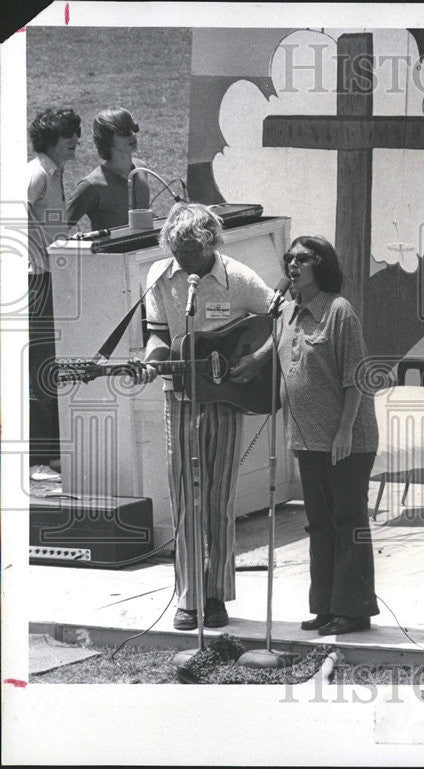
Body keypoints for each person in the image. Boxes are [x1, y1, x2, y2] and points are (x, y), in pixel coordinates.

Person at [133, 202, 272, 630]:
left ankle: (216, 595)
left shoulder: (239, 277)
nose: (184, 260)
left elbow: (282, 316)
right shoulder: (159, 277)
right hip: (180, 398)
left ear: (211, 243)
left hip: (226, 400)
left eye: (192, 252)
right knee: (185, 496)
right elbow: (157, 334)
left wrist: (255, 361)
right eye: (177, 251)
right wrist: (151, 361)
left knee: (218, 498)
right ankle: (189, 596)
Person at [233, 236, 380, 636]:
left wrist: (345, 431)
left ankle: (354, 610)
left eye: (303, 259)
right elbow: (278, 347)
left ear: (322, 265)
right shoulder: (288, 312)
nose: (293, 265)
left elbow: (356, 378)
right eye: (289, 259)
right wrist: (254, 362)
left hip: (345, 437)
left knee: (347, 520)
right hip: (305, 437)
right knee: (319, 523)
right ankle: (327, 607)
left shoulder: (339, 312)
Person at [26, 107, 81, 482]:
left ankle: (52, 455)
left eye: (76, 133)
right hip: (36, 282)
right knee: (41, 366)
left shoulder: (54, 172)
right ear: (51, 139)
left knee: (53, 363)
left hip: (52, 278)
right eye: (68, 136)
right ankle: (36, 460)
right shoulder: (36, 173)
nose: (76, 141)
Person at [67, 107, 150, 231]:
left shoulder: (141, 169)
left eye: (134, 128)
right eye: (124, 132)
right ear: (107, 139)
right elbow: (60, 227)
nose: (132, 135)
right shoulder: (91, 186)